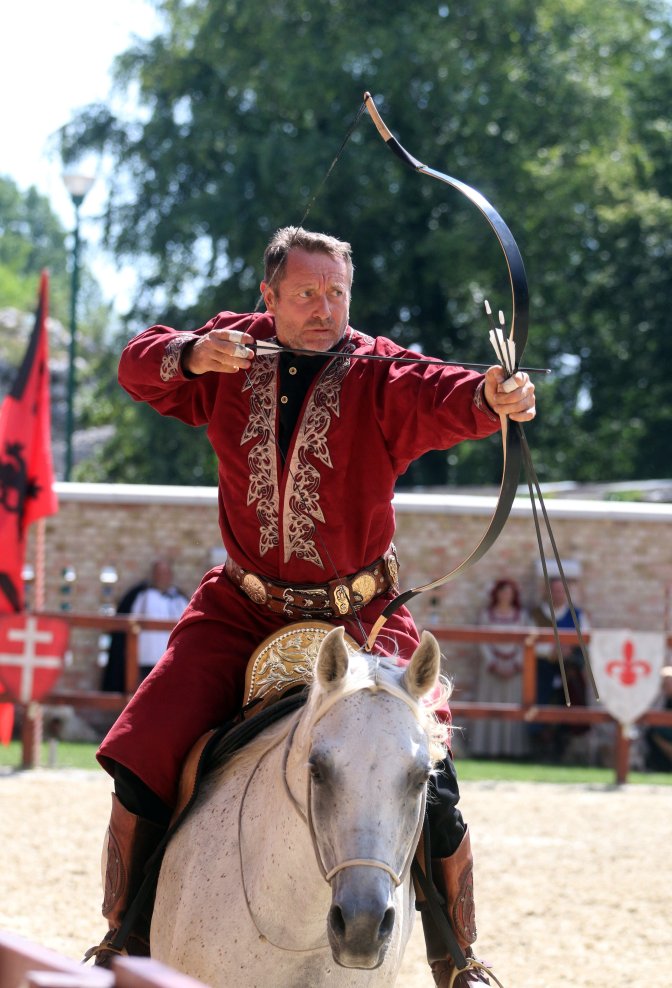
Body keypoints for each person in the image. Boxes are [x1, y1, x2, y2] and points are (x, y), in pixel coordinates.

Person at [87, 227, 536, 986]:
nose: (325, 308)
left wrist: (491, 396)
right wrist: (192, 353)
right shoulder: (230, 351)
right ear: (269, 296)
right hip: (242, 608)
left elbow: (437, 389)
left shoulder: (375, 371)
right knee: (143, 749)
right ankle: (122, 941)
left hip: (360, 618)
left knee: (431, 775)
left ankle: (457, 957)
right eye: (305, 293)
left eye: (337, 293)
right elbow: (137, 363)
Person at [529, 574, 590, 762]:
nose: (558, 594)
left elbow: (586, 639)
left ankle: (564, 750)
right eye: (554, 591)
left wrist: (569, 649)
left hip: (569, 670)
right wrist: (552, 651)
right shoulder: (537, 615)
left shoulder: (577, 615)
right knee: (539, 705)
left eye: (562, 591)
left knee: (570, 706)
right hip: (543, 669)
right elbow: (529, 641)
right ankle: (540, 750)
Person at [469, 579, 529, 758]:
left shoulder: (522, 616)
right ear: (496, 594)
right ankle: (486, 749)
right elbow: (482, 641)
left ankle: (512, 750)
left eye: (509, 592)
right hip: (491, 670)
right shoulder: (486, 615)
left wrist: (516, 664)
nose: (505, 596)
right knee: (489, 704)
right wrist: (493, 663)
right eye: (502, 592)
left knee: (513, 705)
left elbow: (527, 642)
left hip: (514, 670)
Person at [129, 560, 189, 683]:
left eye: (165, 573)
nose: (163, 577)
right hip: (148, 656)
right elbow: (133, 623)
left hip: (172, 657)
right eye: (159, 573)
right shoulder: (144, 597)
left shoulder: (179, 599)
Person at [645, 666, 672, 771]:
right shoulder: (660, 698)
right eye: (665, 682)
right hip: (659, 734)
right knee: (653, 733)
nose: (668, 684)